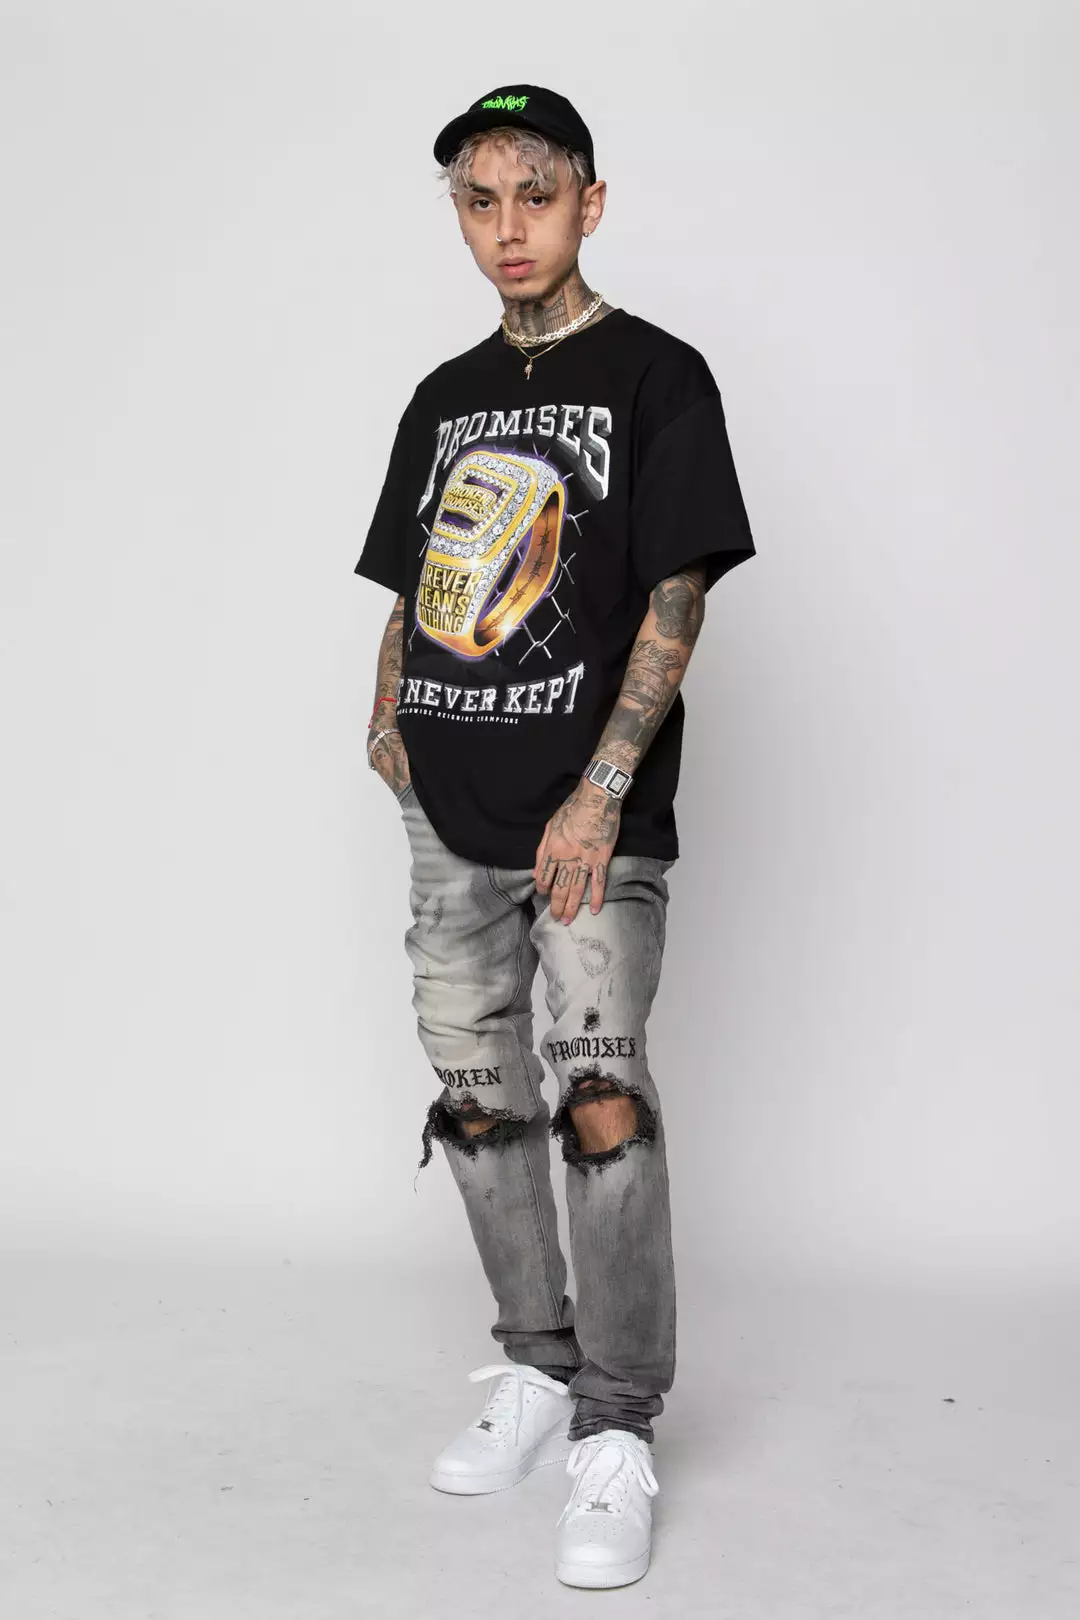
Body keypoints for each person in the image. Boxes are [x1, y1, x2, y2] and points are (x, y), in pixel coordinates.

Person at [353, 83, 755, 1590]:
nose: (508, 226)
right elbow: (414, 579)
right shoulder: (443, 395)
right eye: (479, 200)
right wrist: (386, 718)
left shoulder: (658, 374)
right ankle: (535, 1361)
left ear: (592, 200)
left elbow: (675, 595)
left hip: (592, 808)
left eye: (537, 193)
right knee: (476, 1101)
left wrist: (602, 789)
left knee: (600, 1099)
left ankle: (618, 1422)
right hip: (448, 808)